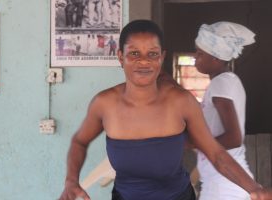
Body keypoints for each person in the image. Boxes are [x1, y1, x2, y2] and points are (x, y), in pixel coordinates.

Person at [59, 19, 272, 200]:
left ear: (161, 57)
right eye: (134, 53)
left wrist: (254, 189)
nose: (143, 61)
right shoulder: (104, 103)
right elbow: (80, 141)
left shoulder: (181, 101)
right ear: (120, 56)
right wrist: (71, 181)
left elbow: (216, 153)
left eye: (152, 54)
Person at [193, 21, 258, 200]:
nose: (194, 57)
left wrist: (193, 142)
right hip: (221, 182)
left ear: (216, 58)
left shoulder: (221, 83)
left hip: (225, 186)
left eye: (199, 54)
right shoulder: (224, 82)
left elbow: (234, 138)